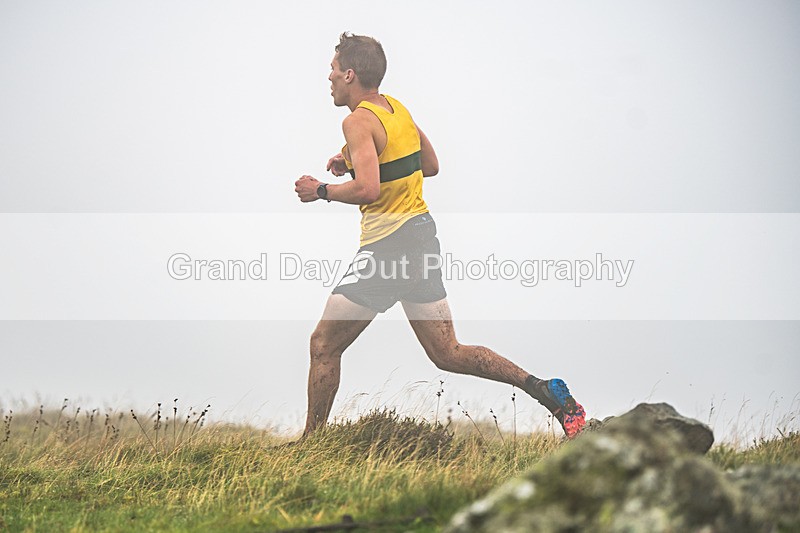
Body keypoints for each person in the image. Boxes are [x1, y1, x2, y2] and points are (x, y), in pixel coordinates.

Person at [294, 32, 586, 439]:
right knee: (448, 352)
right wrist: (351, 158)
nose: (328, 79)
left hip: (389, 247)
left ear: (350, 74)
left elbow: (369, 191)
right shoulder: (396, 109)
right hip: (421, 238)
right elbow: (428, 164)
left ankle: (311, 444)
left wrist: (320, 191)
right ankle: (545, 390)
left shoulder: (356, 120)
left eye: (331, 71)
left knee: (324, 344)